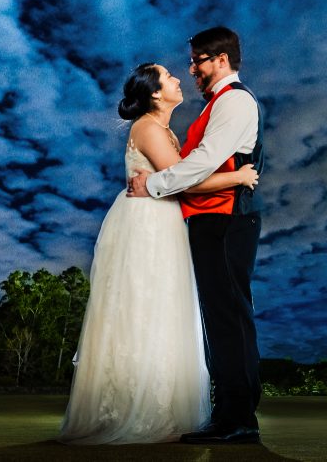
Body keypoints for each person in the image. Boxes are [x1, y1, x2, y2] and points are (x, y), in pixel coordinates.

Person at [58, 62, 259, 445]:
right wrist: (238, 177)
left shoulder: (162, 129)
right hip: (148, 223)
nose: (178, 79)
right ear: (153, 93)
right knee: (146, 306)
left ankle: (163, 407)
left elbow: (177, 177)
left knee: (164, 308)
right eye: (168, 77)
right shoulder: (148, 127)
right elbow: (182, 182)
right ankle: (140, 409)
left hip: (163, 221)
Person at [128, 26, 265, 445]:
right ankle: (231, 413)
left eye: (197, 61)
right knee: (221, 318)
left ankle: (237, 417)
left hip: (226, 220)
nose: (191, 70)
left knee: (228, 316)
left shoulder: (235, 101)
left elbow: (204, 162)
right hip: (213, 221)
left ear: (220, 60)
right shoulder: (218, 105)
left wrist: (151, 185)